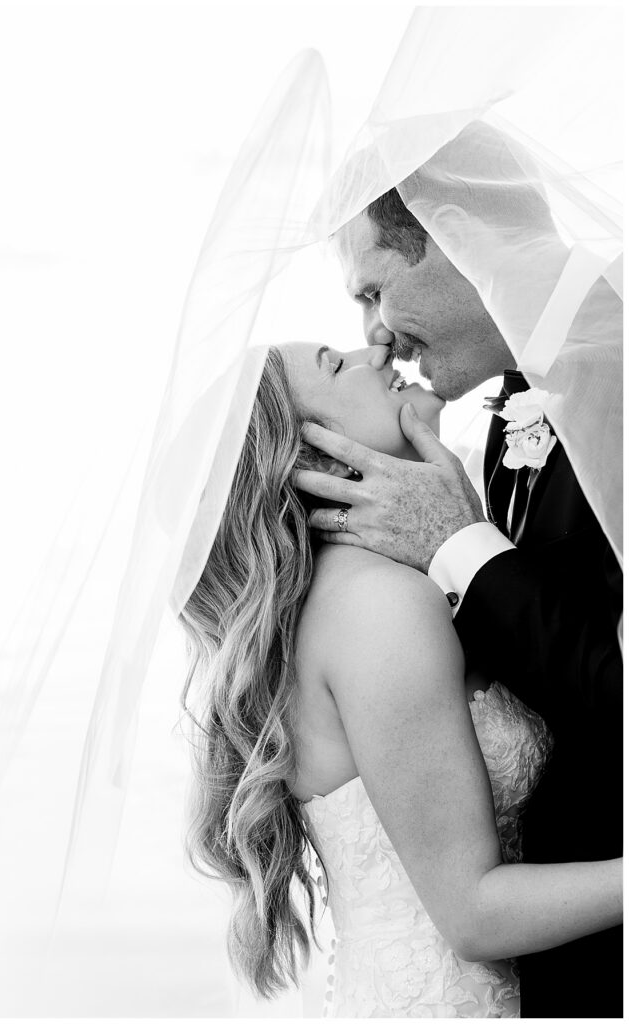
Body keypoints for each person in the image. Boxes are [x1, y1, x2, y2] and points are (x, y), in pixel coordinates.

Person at [179, 342, 621, 1018]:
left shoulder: (350, 596)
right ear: (308, 454)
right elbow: (473, 914)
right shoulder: (378, 606)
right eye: (334, 363)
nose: (374, 346)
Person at [296, 130, 623, 1018]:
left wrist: (461, 547)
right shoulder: (521, 398)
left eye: (373, 291)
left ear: (453, 233)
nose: (375, 338)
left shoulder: (620, 362)